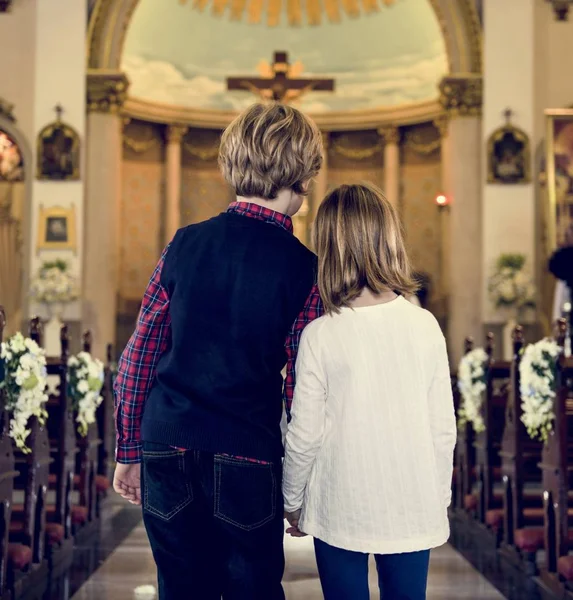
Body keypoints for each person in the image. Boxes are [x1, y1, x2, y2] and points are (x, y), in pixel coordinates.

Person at [113, 103, 323, 600]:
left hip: (166, 440)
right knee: (253, 590)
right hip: (245, 448)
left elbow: (139, 354)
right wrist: (300, 481)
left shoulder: (185, 244)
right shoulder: (304, 268)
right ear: (304, 174)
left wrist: (128, 448)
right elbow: (301, 387)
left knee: (182, 589)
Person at [282, 183, 457, 600]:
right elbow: (441, 429)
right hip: (411, 498)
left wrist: (292, 499)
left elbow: (305, 434)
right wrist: (438, 496)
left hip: (339, 500)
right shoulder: (425, 326)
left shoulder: (320, 334)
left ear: (328, 248)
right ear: (389, 239)